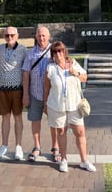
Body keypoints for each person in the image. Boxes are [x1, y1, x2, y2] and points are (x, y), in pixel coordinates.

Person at [43, 41, 96, 173]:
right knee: (61, 132)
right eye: (55, 51)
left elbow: (85, 77)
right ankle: (64, 159)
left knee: (80, 132)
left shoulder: (73, 64)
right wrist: (44, 104)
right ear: (52, 54)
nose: (58, 54)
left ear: (64, 51)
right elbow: (46, 88)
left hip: (74, 105)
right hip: (57, 106)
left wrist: (75, 73)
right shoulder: (50, 68)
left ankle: (84, 160)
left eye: (60, 50)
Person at [22, 26, 60, 162]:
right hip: (35, 93)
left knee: (54, 122)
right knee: (35, 121)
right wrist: (25, 94)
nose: (41, 38)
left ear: (49, 36)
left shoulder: (55, 51)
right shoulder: (30, 53)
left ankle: (55, 147)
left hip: (52, 95)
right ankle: (37, 146)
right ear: (36, 37)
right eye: (39, 36)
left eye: (44, 35)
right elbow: (26, 74)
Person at [0, 26, 27, 160]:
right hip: (3, 90)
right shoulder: (0, 48)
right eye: (7, 35)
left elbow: (29, 67)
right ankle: (4, 145)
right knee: (5, 118)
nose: (10, 38)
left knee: (18, 117)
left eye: (12, 35)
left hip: (17, 89)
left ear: (17, 35)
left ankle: (18, 146)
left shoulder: (23, 50)